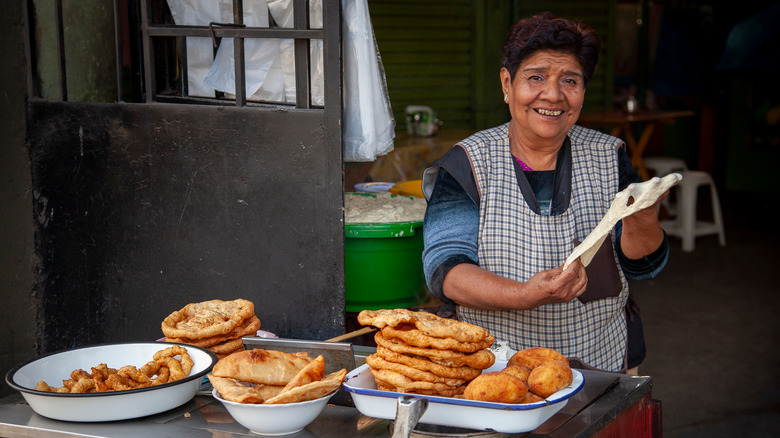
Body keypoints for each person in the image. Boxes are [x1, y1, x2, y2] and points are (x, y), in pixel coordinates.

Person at [421, 12, 669, 373]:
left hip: (600, 362)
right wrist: (524, 295)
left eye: (570, 80)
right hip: (494, 367)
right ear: (507, 83)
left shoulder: (608, 155)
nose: (553, 95)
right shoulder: (469, 163)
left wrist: (643, 217)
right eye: (535, 77)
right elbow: (446, 270)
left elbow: (640, 264)